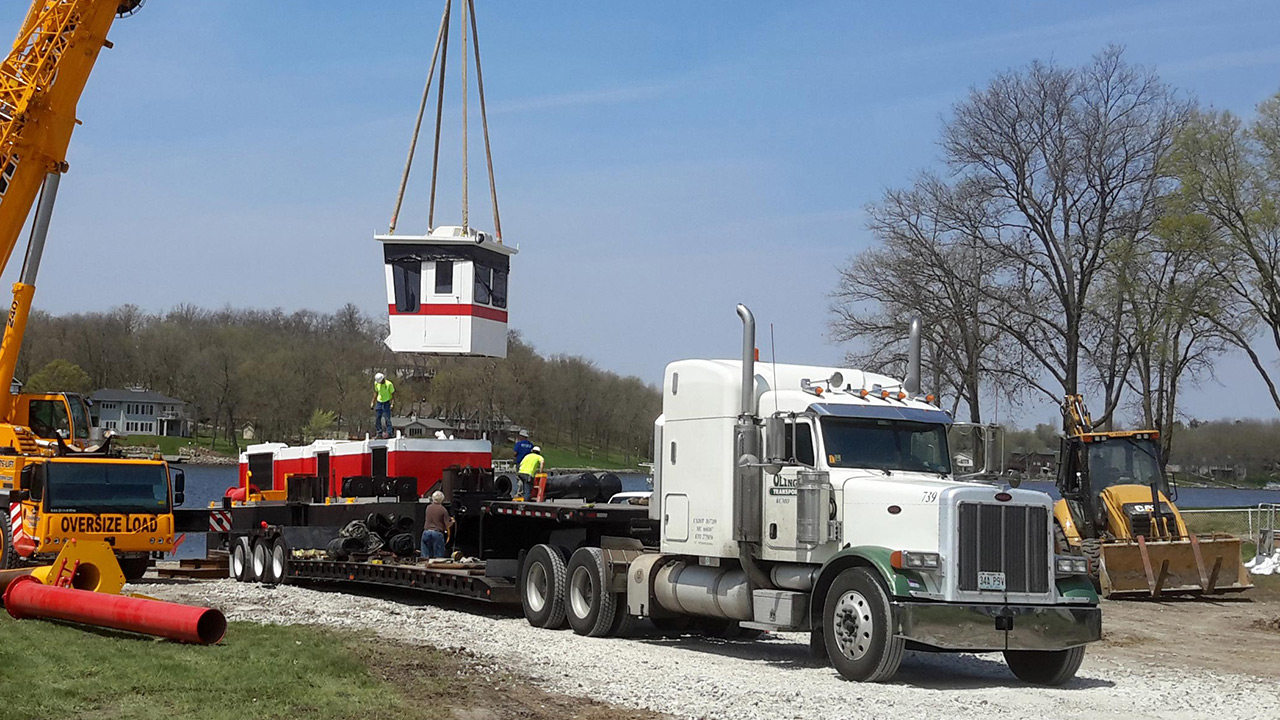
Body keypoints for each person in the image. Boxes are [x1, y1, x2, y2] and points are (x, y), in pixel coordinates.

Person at [421, 490, 451, 559]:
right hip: (437, 533)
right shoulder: (443, 510)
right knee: (438, 556)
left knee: (425, 557)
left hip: (426, 532)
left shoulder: (428, 508)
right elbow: (447, 524)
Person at [370, 372, 395, 439]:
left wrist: (392, 404)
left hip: (387, 402)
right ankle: (379, 432)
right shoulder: (376, 383)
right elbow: (376, 393)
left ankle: (389, 433)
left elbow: (393, 395)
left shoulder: (389, 384)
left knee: (387, 418)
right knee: (378, 418)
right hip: (379, 402)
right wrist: (373, 402)